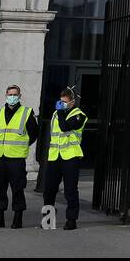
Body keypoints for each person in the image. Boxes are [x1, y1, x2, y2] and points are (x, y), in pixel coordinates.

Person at [0, 84, 39, 229]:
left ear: (20, 96)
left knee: (17, 189)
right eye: (10, 94)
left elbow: (34, 133)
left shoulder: (27, 112)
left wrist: (21, 146)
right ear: (6, 95)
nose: (12, 97)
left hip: (16, 158)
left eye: (15, 95)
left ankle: (18, 218)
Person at [41, 87, 87, 230]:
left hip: (71, 156)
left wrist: (61, 111)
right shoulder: (56, 114)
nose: (61, 104)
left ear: (72, 102)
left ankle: (71, 220)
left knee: (70, 190)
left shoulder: (79, 115)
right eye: (60, 102)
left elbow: (65, 127)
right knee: (49, 190)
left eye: (65, 102)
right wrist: (60, 111)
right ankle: (48, 219)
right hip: (55, 156)